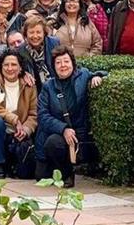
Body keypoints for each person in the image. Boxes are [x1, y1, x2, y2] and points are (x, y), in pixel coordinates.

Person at [36, 46, 105, 188]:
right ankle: (63, 170)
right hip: (58, 133)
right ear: (53, 66)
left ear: (72, 63)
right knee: (41, 173)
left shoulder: (83, 75)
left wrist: (96, 76)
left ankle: (68, 174)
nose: (63, 66)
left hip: (80, 131)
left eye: (66, 61)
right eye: (58, 62)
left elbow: (105, 73)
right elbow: (42, 116)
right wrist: (63, 129)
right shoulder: (48, 87)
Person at [0, 49, 38, 179]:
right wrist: (13, 119)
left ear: (20, 68)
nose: (10, 68)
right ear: (1, 67)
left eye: (14, 65)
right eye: (6, 65)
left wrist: (26, 129)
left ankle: (14, 165)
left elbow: (33, 113)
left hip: (19, 133)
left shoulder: (29, 85)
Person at [20, 15, 60, 86]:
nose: (35, 36)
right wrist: (23, 74)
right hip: (34, 88)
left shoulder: (54, 43)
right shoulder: (20, 51)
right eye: (31, 32)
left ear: (44, 33)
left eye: (38, 32)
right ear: (26, 34)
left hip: (56, 84)